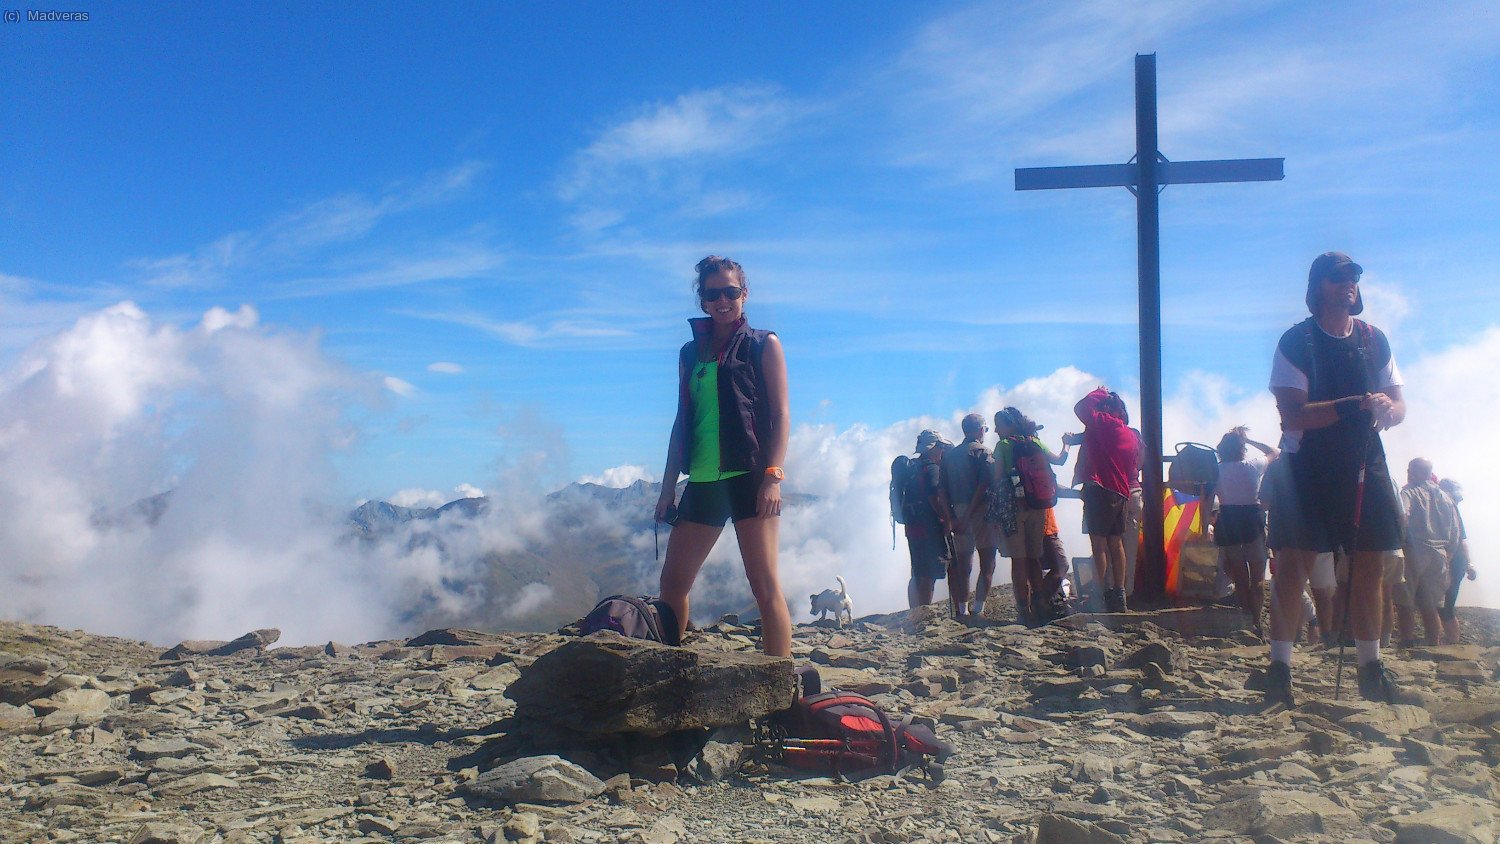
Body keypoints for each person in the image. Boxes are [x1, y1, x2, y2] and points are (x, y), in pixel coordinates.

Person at [1264, 251, 1406, 706]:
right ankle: (1279, 669)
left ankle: (1370, 667)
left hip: (1364, 461)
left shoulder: (1373, 339)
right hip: (1306, 468)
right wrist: (1357, 405)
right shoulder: (1297, 341)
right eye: (1339, 277)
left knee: (1370, 565)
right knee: (1293, 567)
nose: (1350, 283)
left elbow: (1400, 406)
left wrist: (1387, 408)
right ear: (1318, 286)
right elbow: (1292, 417)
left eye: (1354, 276)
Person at [655, 256, 792, 657]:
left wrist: (773, 476)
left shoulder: (763, 343)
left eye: (730, 292)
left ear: (744, 294)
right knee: (673, 585)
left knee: (765, 587)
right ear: (702, 300)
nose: (722, 300)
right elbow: (683, 422)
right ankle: (669, 671)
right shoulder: (689, 352)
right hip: (701, 480)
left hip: (750, 477)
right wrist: (667, 489)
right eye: (712, 293)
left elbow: (782, 413)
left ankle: (779, 687)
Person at [993, 407, 1071, 625]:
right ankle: (1039, 604)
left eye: (999, 425)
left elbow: (997, 478)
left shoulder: (1003, 446)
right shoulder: (1034, 442)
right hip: (1038, 506)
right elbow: (1058, 460)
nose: (997, 430)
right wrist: (1066, 444)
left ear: (1009, 425)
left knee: (1019, 560)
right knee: (1034, 557)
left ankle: (1023, 610)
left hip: (1015, 508)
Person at [1073, 388, 1139, 613]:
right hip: (1120, 492)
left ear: (1108, 409)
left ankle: (1098, 597)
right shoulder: (1129, 434)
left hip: (1099, 489)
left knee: (1098, 545)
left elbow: (1080, 408)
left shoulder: (1104, 424)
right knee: (1115, 542)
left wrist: (1098, 393)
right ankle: (1119, 596)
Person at [1211, 427, 1279, 637]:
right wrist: (1249, 440)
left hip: (1229, 522)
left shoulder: (1217, 470)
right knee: (1258, 577)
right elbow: (1275, 452)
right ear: (1242, 448)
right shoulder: (1253, 465)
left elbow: (1208, 499)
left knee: (1240, 576)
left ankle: (1246, 618)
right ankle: (1256, 621)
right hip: (1253, 522)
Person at [1395, 458, 1463, 648]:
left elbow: (1403, 516)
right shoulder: (1446, 498)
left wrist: (1399, 543)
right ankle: (1433, 643)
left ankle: (1407, 641)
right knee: (1431, 603)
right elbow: (1456, 532)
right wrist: (1448, 553)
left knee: (1405, 599)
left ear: (1414, 471)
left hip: (1415, 550)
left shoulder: (1409, 492)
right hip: (1440, 553)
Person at [939, 414, 997, 618]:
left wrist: (950, 518)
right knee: (987, 560)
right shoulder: (983, 453)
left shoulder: (950, 456)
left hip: (956, 511)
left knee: (964, 563)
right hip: (982, 512)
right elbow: (985, 485)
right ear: (980, 429)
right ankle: (979, 608)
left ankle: (962, 609)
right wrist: (969, 514)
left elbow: (942, 491)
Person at [905, 430, 954, 610]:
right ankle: (923, 612)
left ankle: (914, 611)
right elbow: (935, 498)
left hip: (912, 526)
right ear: (933, 447)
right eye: (940, 447)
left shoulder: (912, 466)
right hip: (929, 528)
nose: (942, 451)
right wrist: (947, 519)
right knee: (929, 573)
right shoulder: (932, 468)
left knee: (917, 571)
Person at [1437, 478, 1475, 644]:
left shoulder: (1448, 508)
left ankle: (1451, 641)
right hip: (1454, 561)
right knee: (1442, 604)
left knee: (1444, 604)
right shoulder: (1450, 508)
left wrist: (1469, 565)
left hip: (1453, 561)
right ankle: (1449, 640)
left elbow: (1462, 541)